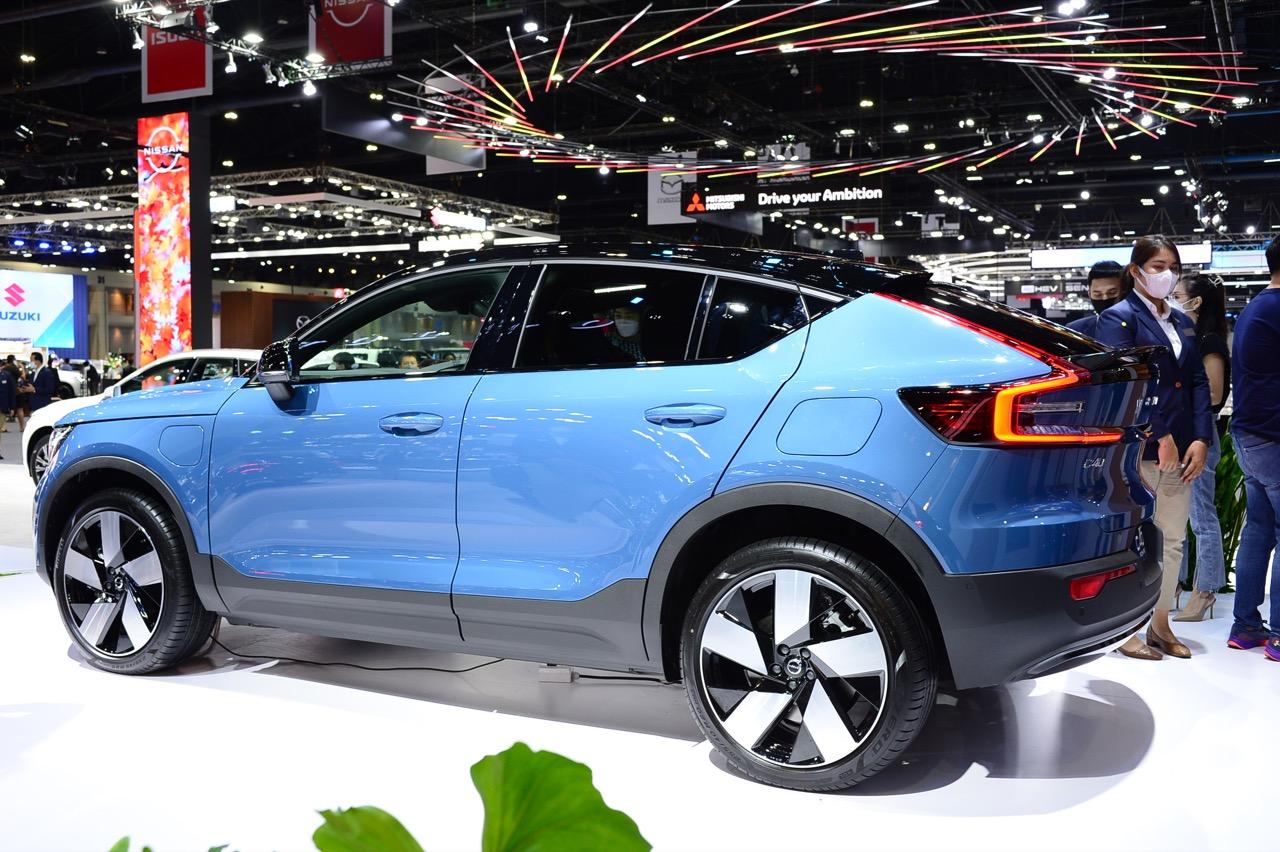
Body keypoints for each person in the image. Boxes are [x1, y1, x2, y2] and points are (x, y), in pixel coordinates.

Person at [1096, 235, 1214, 660]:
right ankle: (1125, 630)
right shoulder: (1118, 318)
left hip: (1183, 448)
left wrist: (1200, 437)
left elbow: (1197, 381)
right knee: (1132, 540)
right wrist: (1159, 434)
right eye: (1158, 266)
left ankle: (1160, 624)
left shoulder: (1181, 321)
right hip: (1138, 449)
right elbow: (1127, 381)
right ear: (1136, 271)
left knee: (1173, 539)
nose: (1167, 274)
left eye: (1173, 267)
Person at [1226, 236, 1280, 661]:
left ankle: (1245, 626)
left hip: (1250, 435)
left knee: (1259, 530)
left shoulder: (1256, 307)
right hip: (1273, 437)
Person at [1170, 274, 1231, 621]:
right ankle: (1175, 585)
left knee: (1201, 516)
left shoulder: (1210, 342)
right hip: (1184, 431)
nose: (1172, 299)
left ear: (1196, 301)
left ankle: (1205, 590)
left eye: (1178, 294)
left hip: (1201, 433)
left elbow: (1214, 394)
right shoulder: (1190, 339)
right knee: (1177, 516)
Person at [1067, 260, 1126, 337]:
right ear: (1089, 294)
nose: (1105, 298)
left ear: (1124, 291)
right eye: (1098, 295)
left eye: (1112, 293)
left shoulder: (1139, 327)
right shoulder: (1074, 330)